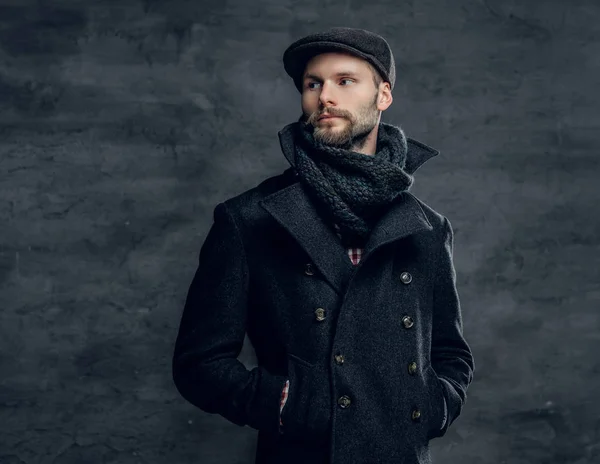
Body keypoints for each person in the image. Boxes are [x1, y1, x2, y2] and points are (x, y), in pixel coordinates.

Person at [172, 26, 475, 464]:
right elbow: (198, 364)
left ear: (383, 95)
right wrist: (287, 404)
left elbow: (450, 352)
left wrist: (433, 406)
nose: (324, 97)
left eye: (345, 81)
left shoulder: (426, 227)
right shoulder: (249, 218)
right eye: (313, 84)